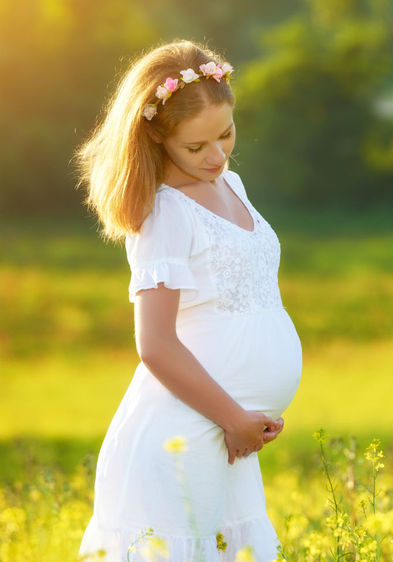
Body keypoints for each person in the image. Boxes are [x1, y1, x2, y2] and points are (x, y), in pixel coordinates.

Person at [74, 39, 302, 561]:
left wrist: (243, 421)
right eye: (196, 147)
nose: (217, 155)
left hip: (226, 439)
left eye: (225, 134)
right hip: (185, 432)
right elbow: (154, 343)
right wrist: (232, 417)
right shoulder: (165, 213)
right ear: (157, 139)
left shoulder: (233, 186)